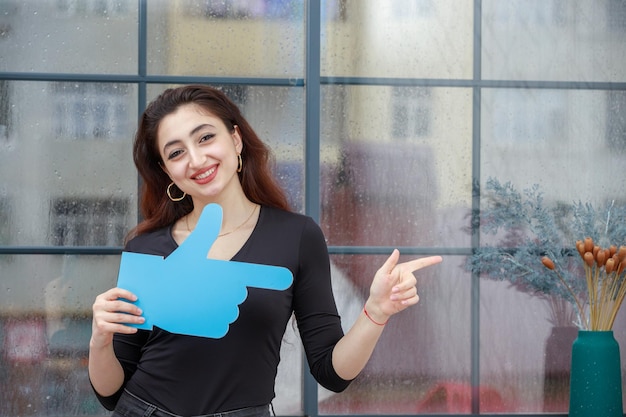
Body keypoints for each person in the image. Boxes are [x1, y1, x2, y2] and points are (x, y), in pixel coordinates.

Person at [89, 84, 443, 417]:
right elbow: (111, 393)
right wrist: (100, 339)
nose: (196, 159)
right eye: (176, 152)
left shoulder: (296, 237)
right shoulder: (146, 247)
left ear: (236, 139)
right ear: (166, 171)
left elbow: (332, 372)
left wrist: (376, 311)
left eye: (206, 137)